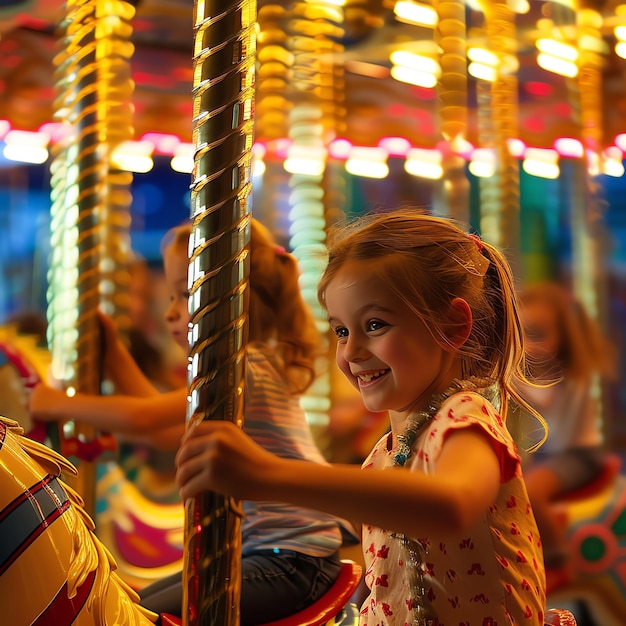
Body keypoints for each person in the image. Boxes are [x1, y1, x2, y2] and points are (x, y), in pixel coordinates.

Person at [176, 209, 548, 626]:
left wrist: (269, 474)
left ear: (453, 325)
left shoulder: (466, 418)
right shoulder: (384, 454)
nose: (351, 352)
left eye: (375, 325)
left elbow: (451, 505)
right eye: (341, 331)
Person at [30, 218, 358, 624]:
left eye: (185, 295)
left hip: (292, 562)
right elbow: (168, 429)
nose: (170, 312)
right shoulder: (243, 369)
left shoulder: (245, 369)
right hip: (280, 557)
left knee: (131, 615)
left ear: (232, 302)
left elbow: (147, 419)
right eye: (170, 295)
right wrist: (115, 354)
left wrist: (57, 402)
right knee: (126, 606)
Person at [516, 281, 616, 587]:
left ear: (564, 336)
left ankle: (558, 558)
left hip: (578, 456)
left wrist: (509, 378)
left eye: (538, 335)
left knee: (531, 491)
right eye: (522, 336)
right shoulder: (540, 373)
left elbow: (545, 399)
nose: (529, 346)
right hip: (548, 452)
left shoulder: (575, 374)